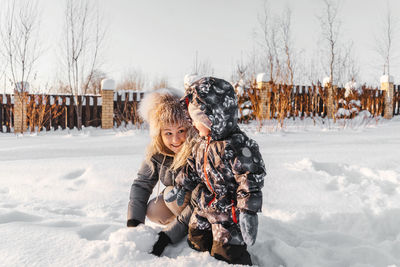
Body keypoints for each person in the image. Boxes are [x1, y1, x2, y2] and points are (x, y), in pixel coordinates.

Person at [163, 77, 266, 265]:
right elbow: (192, 168)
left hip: (228, 211)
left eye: (196, 120)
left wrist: (248, 212)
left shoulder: (238, 146)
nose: (193, 125)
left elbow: (250, 180)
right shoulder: (201, 144)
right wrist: (181, 185)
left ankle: (231, 252)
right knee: (195, 241)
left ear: (213, 118)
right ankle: (207, 243)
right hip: (205, 203)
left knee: (227, 255)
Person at [126, 88, 197, 255]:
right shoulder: (156, 151)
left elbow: (199, 200)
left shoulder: (197, 150)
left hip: (202, 207)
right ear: (159, 134)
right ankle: (182, 225)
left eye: (181, 131)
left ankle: (190, 228)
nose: (176, 140)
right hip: (182, 206)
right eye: (168, 133)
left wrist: (168, 236)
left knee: (171, 195)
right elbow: (141, 184)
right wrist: (134, 224)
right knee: (153, 209)